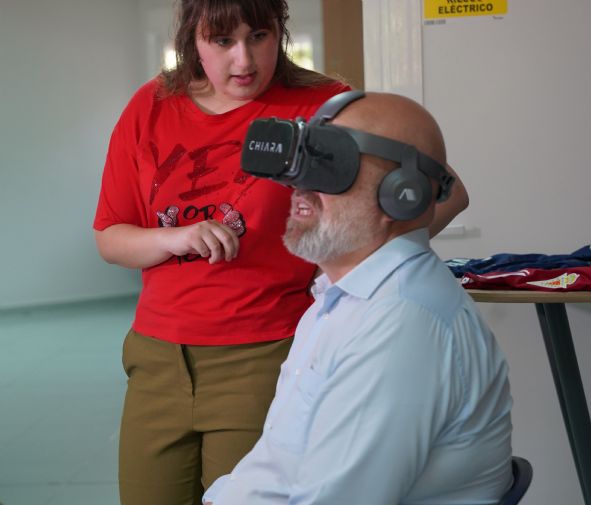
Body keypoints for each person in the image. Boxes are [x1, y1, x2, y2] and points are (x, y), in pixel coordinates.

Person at [93, 1, 468, 504]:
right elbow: (110, 238)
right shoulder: (152, 105)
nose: (244, 60)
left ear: (280, 33)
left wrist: (354, 274)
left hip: (265, 352)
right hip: (156, 357)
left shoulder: (322, 106)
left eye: (260, 36)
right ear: (191, 38)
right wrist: (172, 238)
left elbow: (443, 193)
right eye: (222, 41)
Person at [202, 91, 512, 505]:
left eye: (330, 163)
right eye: (302, 161)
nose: (300, 185)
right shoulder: (340, 300)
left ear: (403, 193)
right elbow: (278, 467)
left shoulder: (400, 323)